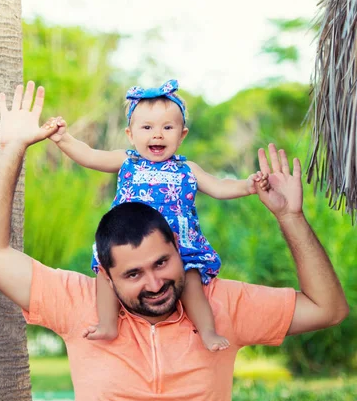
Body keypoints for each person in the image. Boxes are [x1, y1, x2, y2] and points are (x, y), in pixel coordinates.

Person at [0, 82, 348, 401]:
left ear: (178, 249)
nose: (153, 283)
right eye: (132, 274)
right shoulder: (78, 303)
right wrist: (12, 149)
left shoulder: (219, 303)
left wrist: (290, 218)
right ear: (105, 274)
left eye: (162, 263)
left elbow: (329, 309)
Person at [48, 79, 267, 351]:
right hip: (128, 242)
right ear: (130, 134)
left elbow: (220, 187)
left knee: (192, 282)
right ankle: (107, 323)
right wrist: (64, 139)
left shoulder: (189, 169)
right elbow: (89, 155)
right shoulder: (126, 162)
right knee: (105, 274)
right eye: (147, 128)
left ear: (182, 134)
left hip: (178, 245)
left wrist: (248, 186)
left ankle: (208, 332)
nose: (158, 135)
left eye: (167, 127)